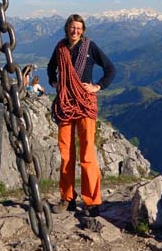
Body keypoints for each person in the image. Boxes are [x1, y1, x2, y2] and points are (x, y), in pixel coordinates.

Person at [47, 13, 115, 217]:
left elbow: (110, 69)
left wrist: (97, 86)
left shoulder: (90, 47)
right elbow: (51, 68)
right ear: (67, 28)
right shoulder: (60, 48)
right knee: (66, 153)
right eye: (72, 27)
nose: (75, 31)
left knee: (87, 153)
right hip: (66, 104)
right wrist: (55, 83)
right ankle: (67, 198)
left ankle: (92, 201)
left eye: (78, 28)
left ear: (83, 30)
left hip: (85, 103)